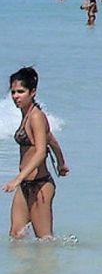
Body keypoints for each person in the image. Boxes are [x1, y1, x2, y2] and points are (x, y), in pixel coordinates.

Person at [6, 67, 69, 239]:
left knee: (45, 241)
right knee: (16, 235)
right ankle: (24, 267)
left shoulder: (36, 117)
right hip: (25, 186)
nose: (15, 96)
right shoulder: (26, 115)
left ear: (32, 92)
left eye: (21, 92)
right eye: (13, 92)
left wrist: (17, 179)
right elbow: (52, 140)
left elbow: (41, 152)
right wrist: (61, 163)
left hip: (39, 185)